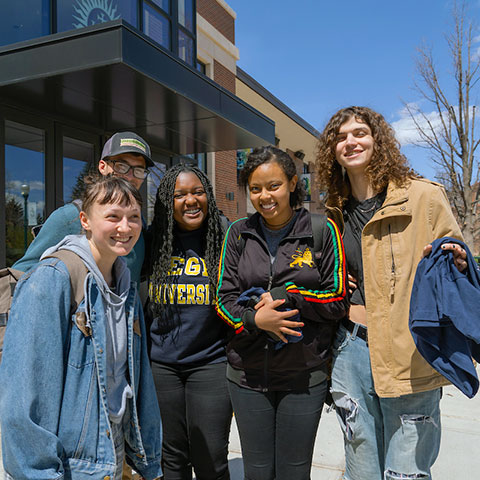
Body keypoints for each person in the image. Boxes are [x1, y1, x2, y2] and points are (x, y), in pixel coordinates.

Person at [316, 106, 466, 480]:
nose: (350, 141)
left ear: (378, 139)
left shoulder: (423, 197)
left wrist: (458, 259)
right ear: (332, 150)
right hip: (350, 351)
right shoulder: (333, 211)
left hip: (410, 351)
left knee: (406, 472)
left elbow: (455, 260)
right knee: (361, 468)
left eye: (360, 132)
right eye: (341, 136)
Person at [0, 175, 163, 479]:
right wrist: (38, 472)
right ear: (85, 220)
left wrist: (146, 456)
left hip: (109, 448)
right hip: (63, 460)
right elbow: (23, 397)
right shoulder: (52, 278)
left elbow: (136, 379)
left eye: (134, 218)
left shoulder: (125, 285)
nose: (125, 228)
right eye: (113, 217)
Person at [215, 146, 348, 480]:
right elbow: (222, 298)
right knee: (257, 472)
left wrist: (288, 297)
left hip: (304, 376)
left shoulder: (322, 229)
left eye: (273, 185)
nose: (264, 196)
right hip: (247, 374)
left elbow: (338, 297)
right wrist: (255, 320)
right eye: (256, 188)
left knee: (294, 471)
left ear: (291, 183)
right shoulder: (237, 233)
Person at [147, 164, 232, 480]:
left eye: (197, 192)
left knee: (211, 456)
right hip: (161, 366)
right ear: (167, 201)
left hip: (210, 362)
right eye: (179, 194)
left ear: (208, 196)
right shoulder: (150, 241)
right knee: (172, 457)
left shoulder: (226, 237)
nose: (190, 201)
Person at [13, 131, 153, 286]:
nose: (130, 176)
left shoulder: (137, 225)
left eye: (139, 170)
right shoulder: (69, 216)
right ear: (103, 166)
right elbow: (22, 276)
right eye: (121, 166)